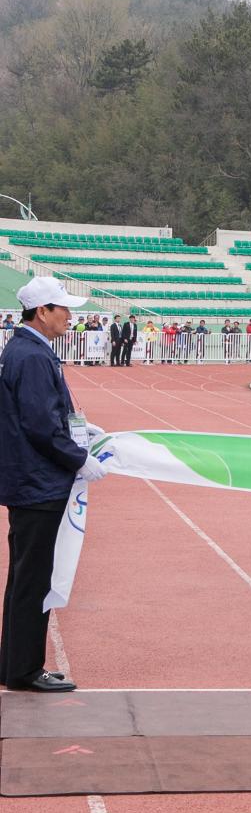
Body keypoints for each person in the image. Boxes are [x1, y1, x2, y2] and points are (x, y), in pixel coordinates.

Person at [0, 278, 110, 693]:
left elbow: (48, 415)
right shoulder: (30, 355)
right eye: (62, 308)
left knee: (25, 577)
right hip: (37, 482)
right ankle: (25, 670)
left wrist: (79, 430)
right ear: (41, 311)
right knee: (33, 579)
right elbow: (40, 425)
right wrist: (79, 458)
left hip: (31, 479)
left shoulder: (27, 350)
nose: (70, 315)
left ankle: (13, 664)